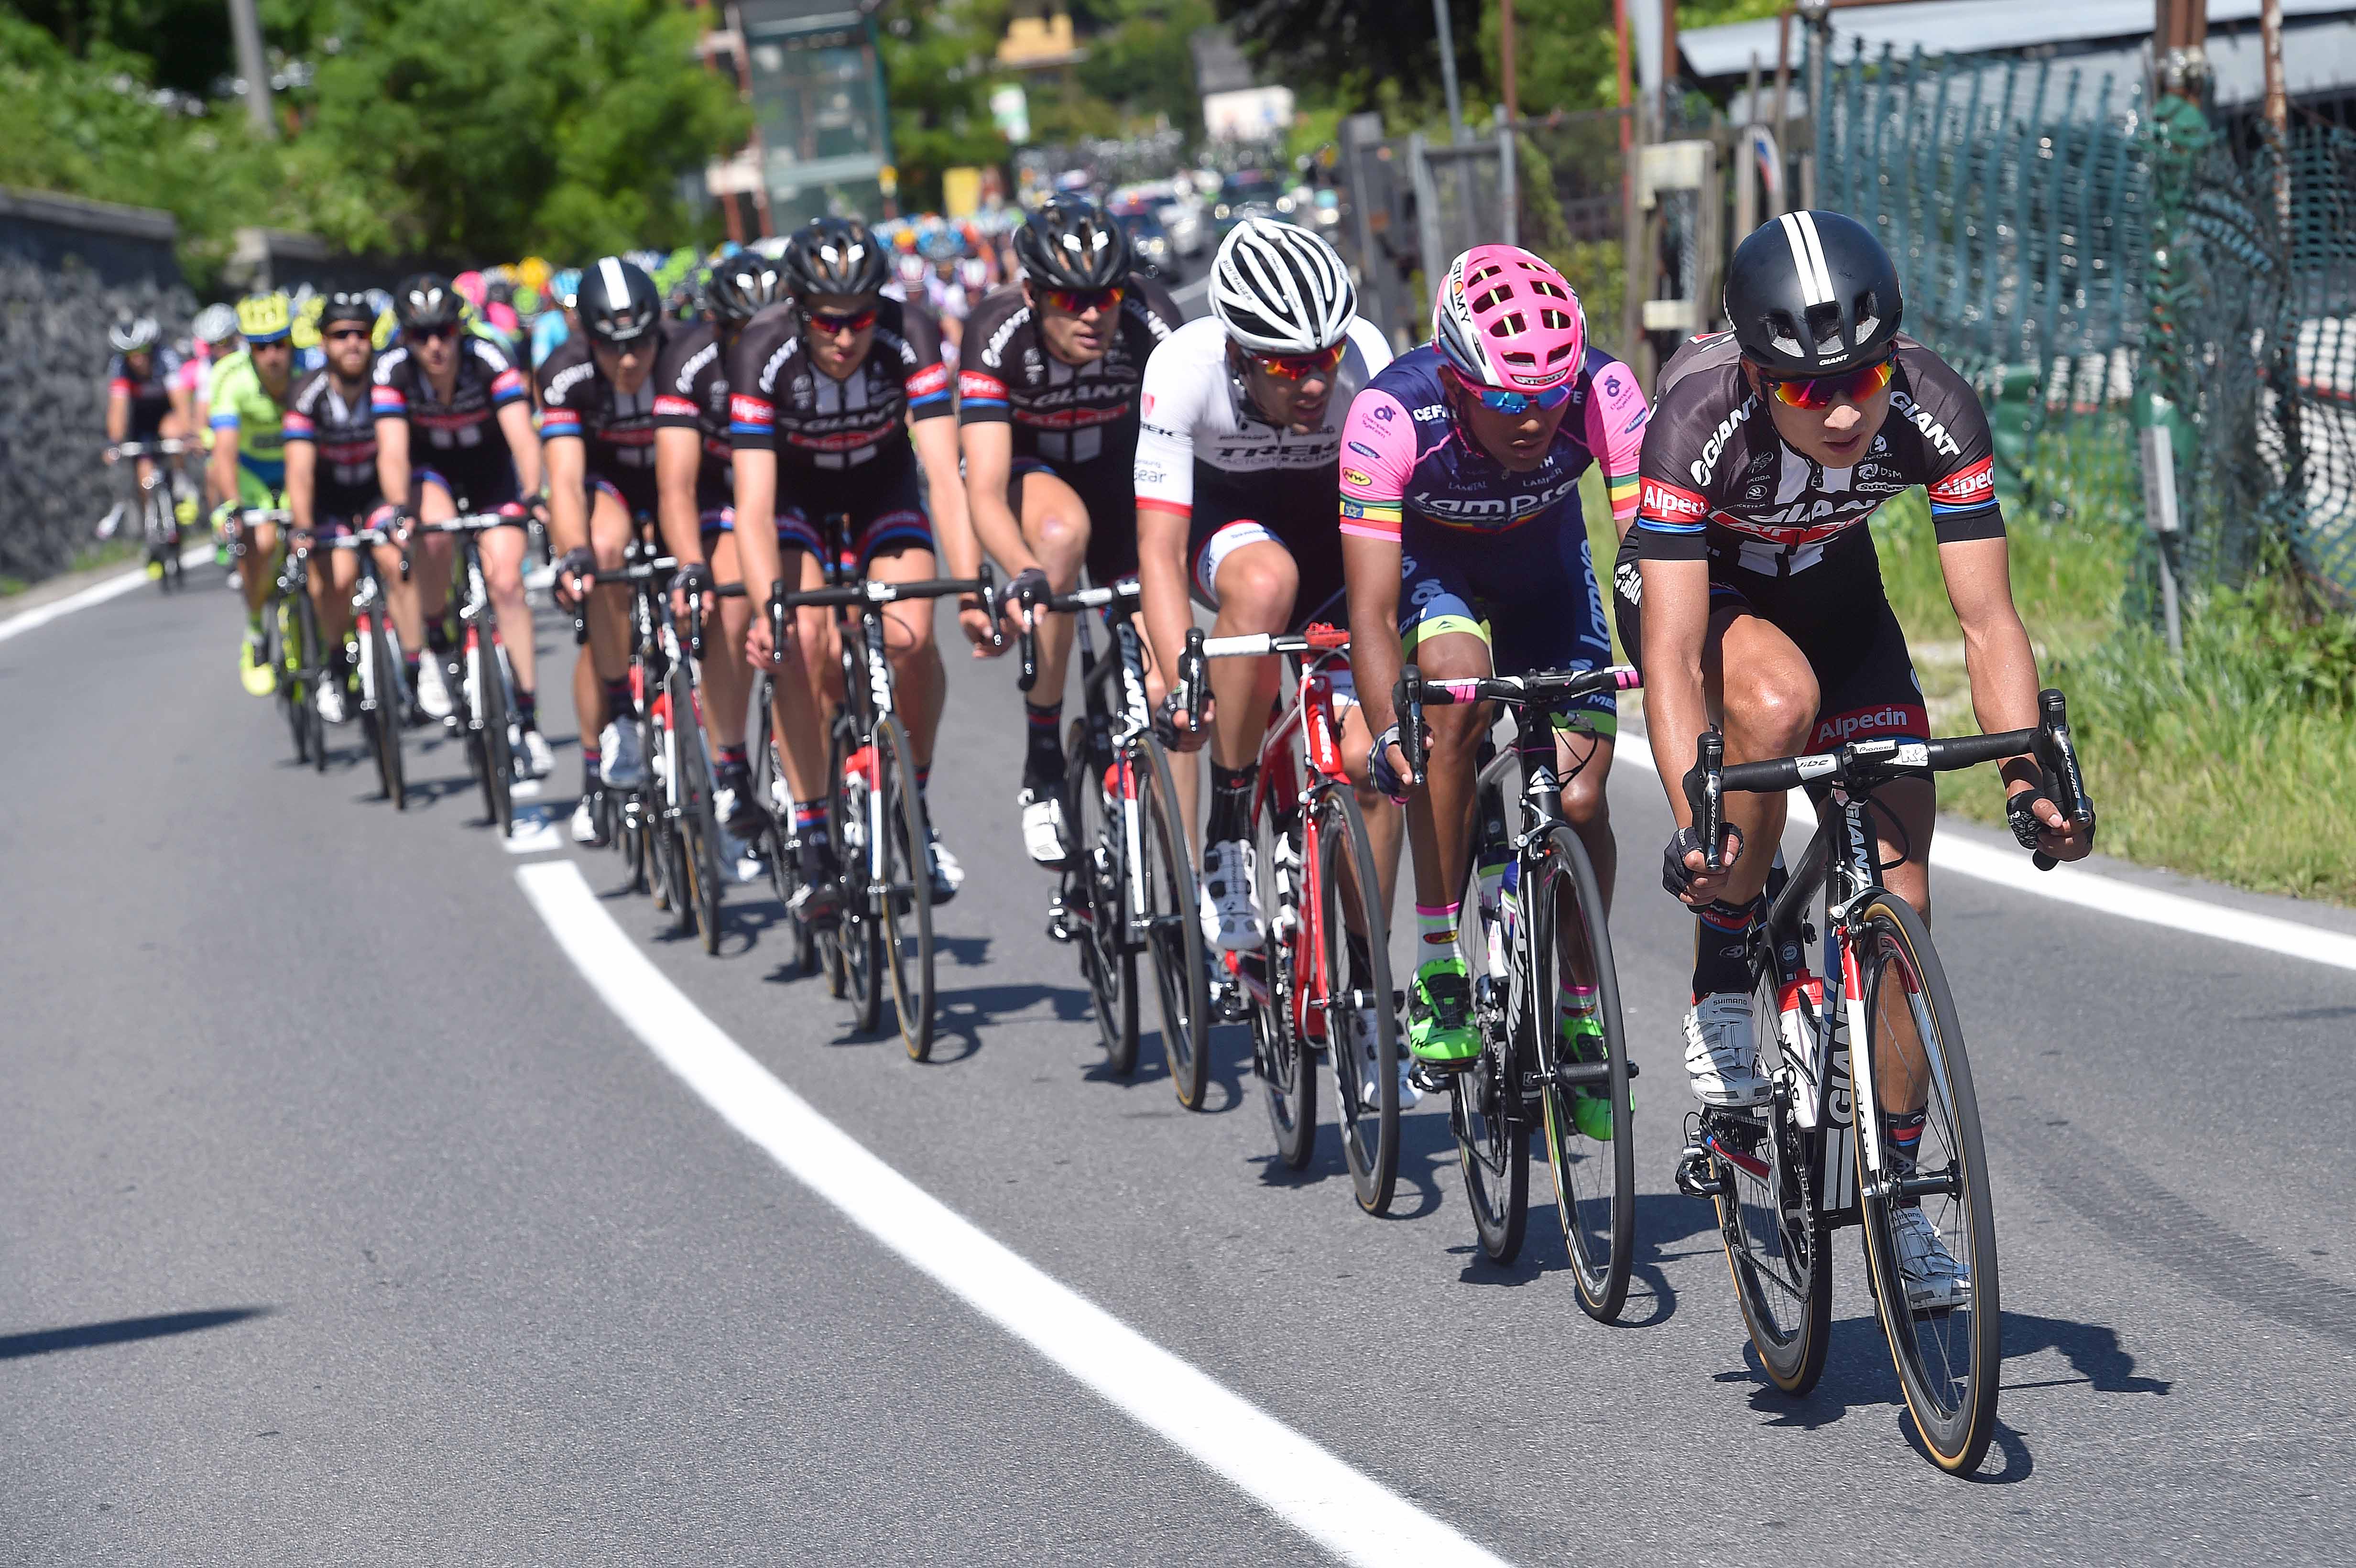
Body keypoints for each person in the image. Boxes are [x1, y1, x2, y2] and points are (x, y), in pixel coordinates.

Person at [1624, 211, 2094, 1303]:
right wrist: (1699, 815)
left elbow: (1988, 622)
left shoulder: (1934, 406)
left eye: (1863, 376)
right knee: (1776, 705)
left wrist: (2028, 779)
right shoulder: (1699, 415)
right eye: (1801, 388)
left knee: (1905, 886)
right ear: (1754, 372)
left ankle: (1902, 1202)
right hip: (1711, 599)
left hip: (1842, 600)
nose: (1840, 408)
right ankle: (1722, 976)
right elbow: (1673, 652)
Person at [1343, 246, 1647, 1097]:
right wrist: (1388, 729)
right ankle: (1439, 962)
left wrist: (1677, 677)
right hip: (1432, 569)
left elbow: (1650, 561)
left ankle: (1581, 1001)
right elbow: (1368, 610)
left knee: (1582, 798)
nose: (1533, 420)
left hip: (1546, 567)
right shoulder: (1388, 414)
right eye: (1507, 400)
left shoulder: (1605, 390)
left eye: (1550, 398)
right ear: (1455, 377)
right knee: (1453, 700)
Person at [1133, 219, 1398, 940]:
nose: (1313, 381)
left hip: (1333, 536)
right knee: (1263, 582)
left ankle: (1369, 1004)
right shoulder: (1183, 368)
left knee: (1366, 763)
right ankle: (1229, 820)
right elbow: (1157, 549)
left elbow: (1402, 529)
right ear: (1237, 353)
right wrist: (1182, 672)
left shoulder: (1368, 361)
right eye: (1284, 366)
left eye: (1323, 357)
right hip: (1227, 531)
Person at [726, 217, 972, 908]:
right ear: (800, 312)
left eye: (859, 319)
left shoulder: (909, 333)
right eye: (827, 323)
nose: (845, 337)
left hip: (880, 487)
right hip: (797, 500)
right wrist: (767, 603)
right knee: (801, 644)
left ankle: (912, 806)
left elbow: (946, 478)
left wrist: (975, 584)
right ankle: (810, 830)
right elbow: (751, 504)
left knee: (914, 638)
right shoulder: (763, 348)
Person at [952, 195, 1181, 867]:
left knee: (1169, 676)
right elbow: (984, 489)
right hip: (1035, 476)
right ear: (1031, 294)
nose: (1092, 314)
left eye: (1106, 295)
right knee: (1058, 537)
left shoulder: (1151, 319)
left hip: (1122, 478)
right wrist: (1020, 573)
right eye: (1068, 300)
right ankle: (1045, 759)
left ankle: (1173, 860)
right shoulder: (996, 332)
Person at [372, 272, 549, 771]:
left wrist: (533, 494)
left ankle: (529, 718)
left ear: (460, 330)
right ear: (404, 338)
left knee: (508, 583)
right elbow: (391, 452)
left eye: (445, 332)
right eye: (420, 335)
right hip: (432, 475)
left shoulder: (489, 356)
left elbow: (521, 435)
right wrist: (398, 509)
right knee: (433, 531)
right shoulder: (392, 370)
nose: (434, 345)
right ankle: (435, 643)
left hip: (492, 471)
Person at [646, 252, 786, 852]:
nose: (755, 341)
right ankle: (731, 759)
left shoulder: (798, 356)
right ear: (717, 326)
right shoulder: (689, 361)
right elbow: (674, 484)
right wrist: (691, 567)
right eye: (739, 330)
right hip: (715, 491)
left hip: (786, 490)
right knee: (730, 602)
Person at [542, 256, 670, 821]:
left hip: (675, 481)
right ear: (585, 337)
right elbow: (565, 481)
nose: (627, 360)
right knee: (605, 554)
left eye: (640, 344)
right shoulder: (564, 371)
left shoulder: (684, 355)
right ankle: (603, 754)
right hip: (608, 484)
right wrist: (574, 556)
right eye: (611, 346)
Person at [281, 293, 384, 725]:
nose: (353, 344)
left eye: (361, 334)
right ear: (323, 343)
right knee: (338, 579)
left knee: (399, 556)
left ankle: (414, 660)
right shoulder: (308, 394)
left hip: (376, 492)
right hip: (328, 500)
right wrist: (303, 526)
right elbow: (301, 472)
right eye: (341, 335)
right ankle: (335, 660)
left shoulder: (388, 384)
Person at [209, 293, 300, 695]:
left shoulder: (310, 369)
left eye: (280, 343)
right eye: (261, 347)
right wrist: (234, 507)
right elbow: (224, 453)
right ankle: (256, 633)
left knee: (318, 544)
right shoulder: (232, 378)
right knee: (261, 542)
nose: (272, 356)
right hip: (252, 472)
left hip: (298, 466)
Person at [101, 316, 191, 567]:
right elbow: (118, 409)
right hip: (141, 423)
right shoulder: (119, 367)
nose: (137, 359)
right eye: (130, 354)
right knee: (144, 477)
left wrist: (188, 435)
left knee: (173, 432)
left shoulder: (166, 358)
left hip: (166, 413)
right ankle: (151, 532)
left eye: (141, 352)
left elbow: (181, 400)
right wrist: (114, 442)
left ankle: (182, 484)